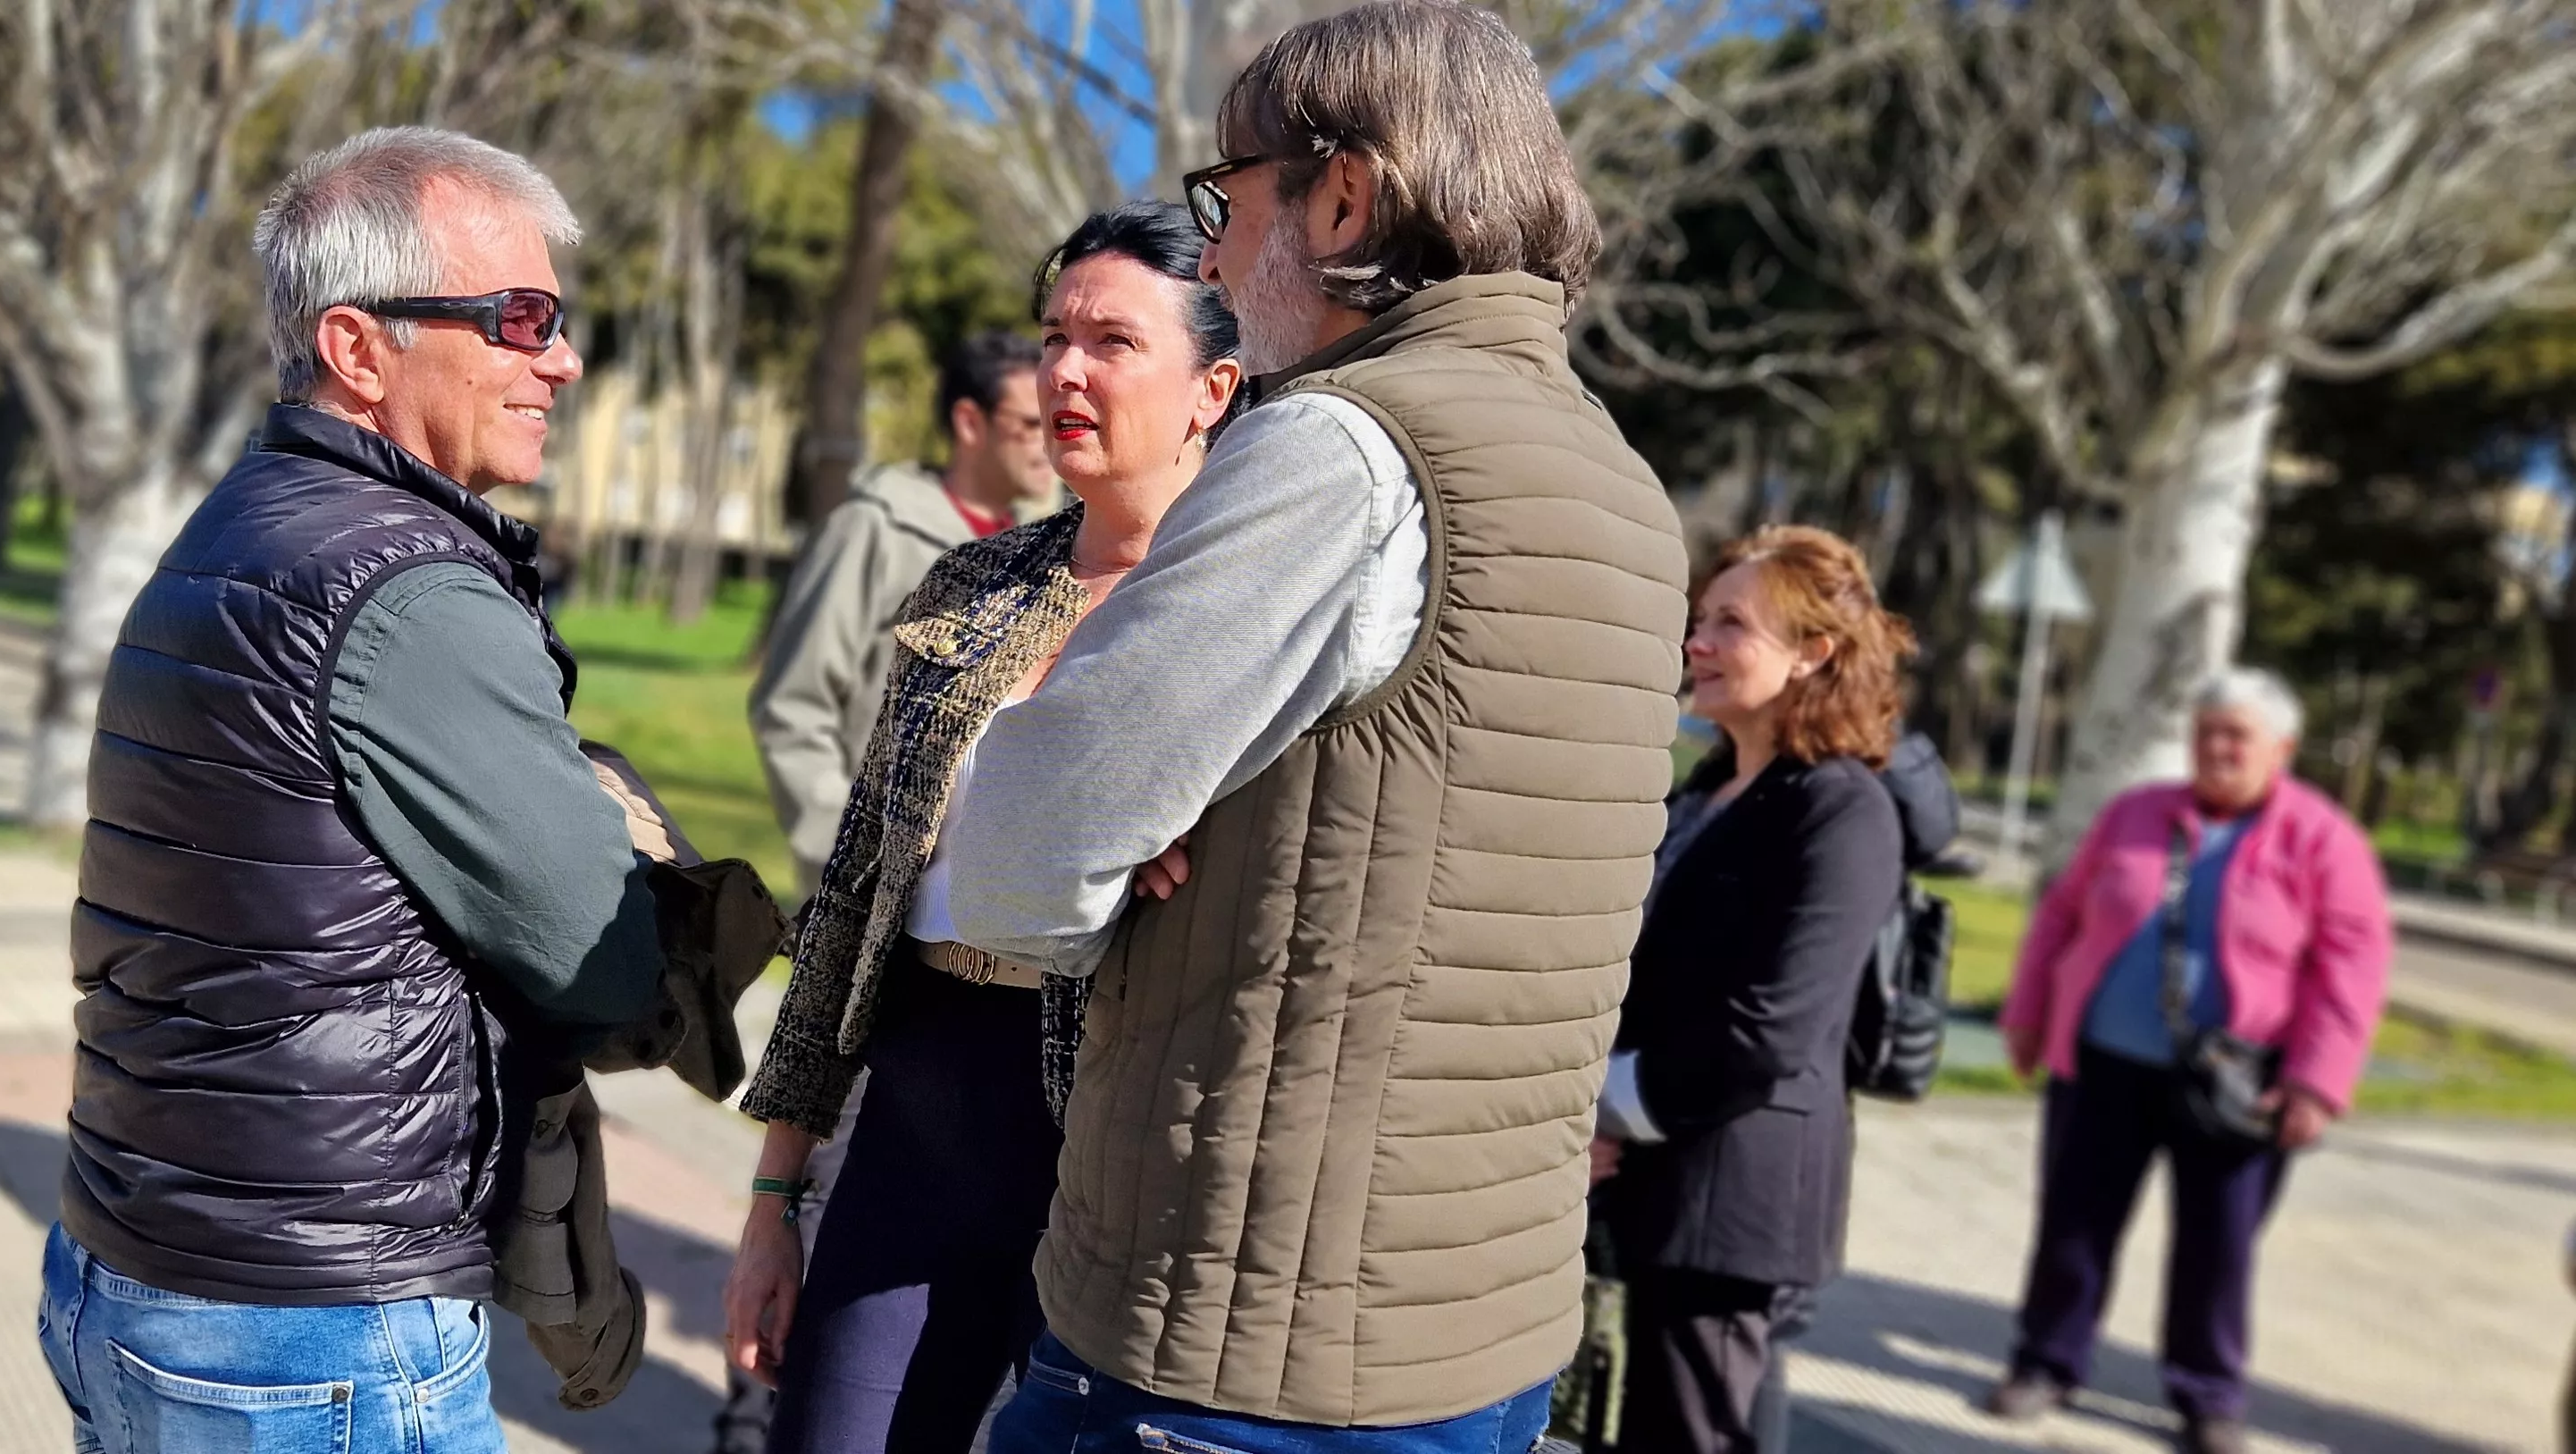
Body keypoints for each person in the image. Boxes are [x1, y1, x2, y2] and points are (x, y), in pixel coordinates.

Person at [940, 4, 1692, 1450]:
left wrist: (1114, 833)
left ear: (1343, 196)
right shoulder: (1618, 483)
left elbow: (1022, 857)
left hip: (1238, 1342)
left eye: (1225, 202)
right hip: (1478, 1330)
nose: (1213, 258)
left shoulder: (1340, 444)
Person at [35, 127, 663, 1454]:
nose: (560, 358)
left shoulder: (242, 522)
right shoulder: (407, 582)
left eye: (558, 321)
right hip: (310, 1324)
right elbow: (602, 961)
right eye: (519, 317)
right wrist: (623, 833)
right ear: (358, 348)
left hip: (131, 1264)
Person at [722, 202, 1245, 1454]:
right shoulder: (977, 581)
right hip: (915, 1114)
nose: (1064, 370)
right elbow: (854, 893)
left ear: (1212, 389)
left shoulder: (1248, 616)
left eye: (1112, 341)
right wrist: (775, 1194)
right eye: (1054, 336)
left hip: (1115, 1150)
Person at [1985, 667, 2392, 1454]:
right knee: (2073, 1225)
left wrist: (2315, 1082)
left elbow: (2352, 966)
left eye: (2235, 735)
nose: (2216, 748)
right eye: (2205, 732)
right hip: (2103, 1063)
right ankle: (2043, 1361)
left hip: (2235, 1084)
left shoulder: (2323, 838)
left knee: (2218, 1246)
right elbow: (2060, 914)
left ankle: (2206, 1393)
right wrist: (2027, 1012)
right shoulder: (2134, 812)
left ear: (2281, 749)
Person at [1589, 525, 1909, 1454]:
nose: (1697, 641)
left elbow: (1767, 1030)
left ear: (1813, 651)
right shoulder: (1709, 788)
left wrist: (1605, 1112)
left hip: (1728, 1205)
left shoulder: (1841, 810)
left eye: (1730, 623)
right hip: (1656, 1189)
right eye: (1700, 619)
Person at [754, 332, 1056, 901]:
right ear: (970, 423)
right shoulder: (873, 529)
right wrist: (850, 859)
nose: (1051, 439)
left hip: (991, 895)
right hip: (873, 894)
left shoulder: (1050, 553)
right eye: (1029, 423)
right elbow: (794, 705)